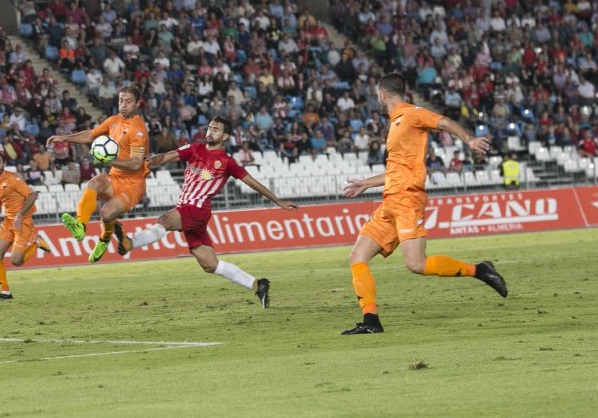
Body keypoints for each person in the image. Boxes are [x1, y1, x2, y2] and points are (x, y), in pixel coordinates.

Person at [339, 73, 507, 335]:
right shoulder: (395, 123)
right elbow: (397, 170)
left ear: (382, 94)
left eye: (377, 95)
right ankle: (371, 321)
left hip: (407, 199)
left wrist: (470, 140)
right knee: (357, 257)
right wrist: (366, 183)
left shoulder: (412, 114)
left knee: (416, 264)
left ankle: (480, 270)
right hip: (390, 201)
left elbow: (444, 122)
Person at [130, 117, 298, 308]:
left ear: (225, 136)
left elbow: (251, 182)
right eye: (209, 127)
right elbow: (166, 157)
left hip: (196, 209)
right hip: (191, 211)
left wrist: (277, 201)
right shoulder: (194, 149)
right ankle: (257, 284)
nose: (210, 131)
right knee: (210, 265)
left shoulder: (226, 162)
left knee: (164, 219)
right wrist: (149, 162)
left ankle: (129, 244)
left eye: (216, 129)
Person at [47, 85, 150, 263]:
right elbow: (90, 135)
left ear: (137, 103)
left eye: (128, 101)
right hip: (115, 177)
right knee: (94, 183)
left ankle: (104, 238)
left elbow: (136, 163)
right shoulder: (113, 121)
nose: (123, 105)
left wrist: (108, 162)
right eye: (121, 101)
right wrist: (65, 138)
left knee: (107, 213)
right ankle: (80, 225)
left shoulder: (138, 129)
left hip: (133, 184)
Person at [0, 153, 52, 301]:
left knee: (16, 261)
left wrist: (20, 215)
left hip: (23, 222)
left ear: (4, 163)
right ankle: (5, 292)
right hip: (8, 222)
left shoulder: (13, 179)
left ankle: (36, 242)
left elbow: (32, 196)